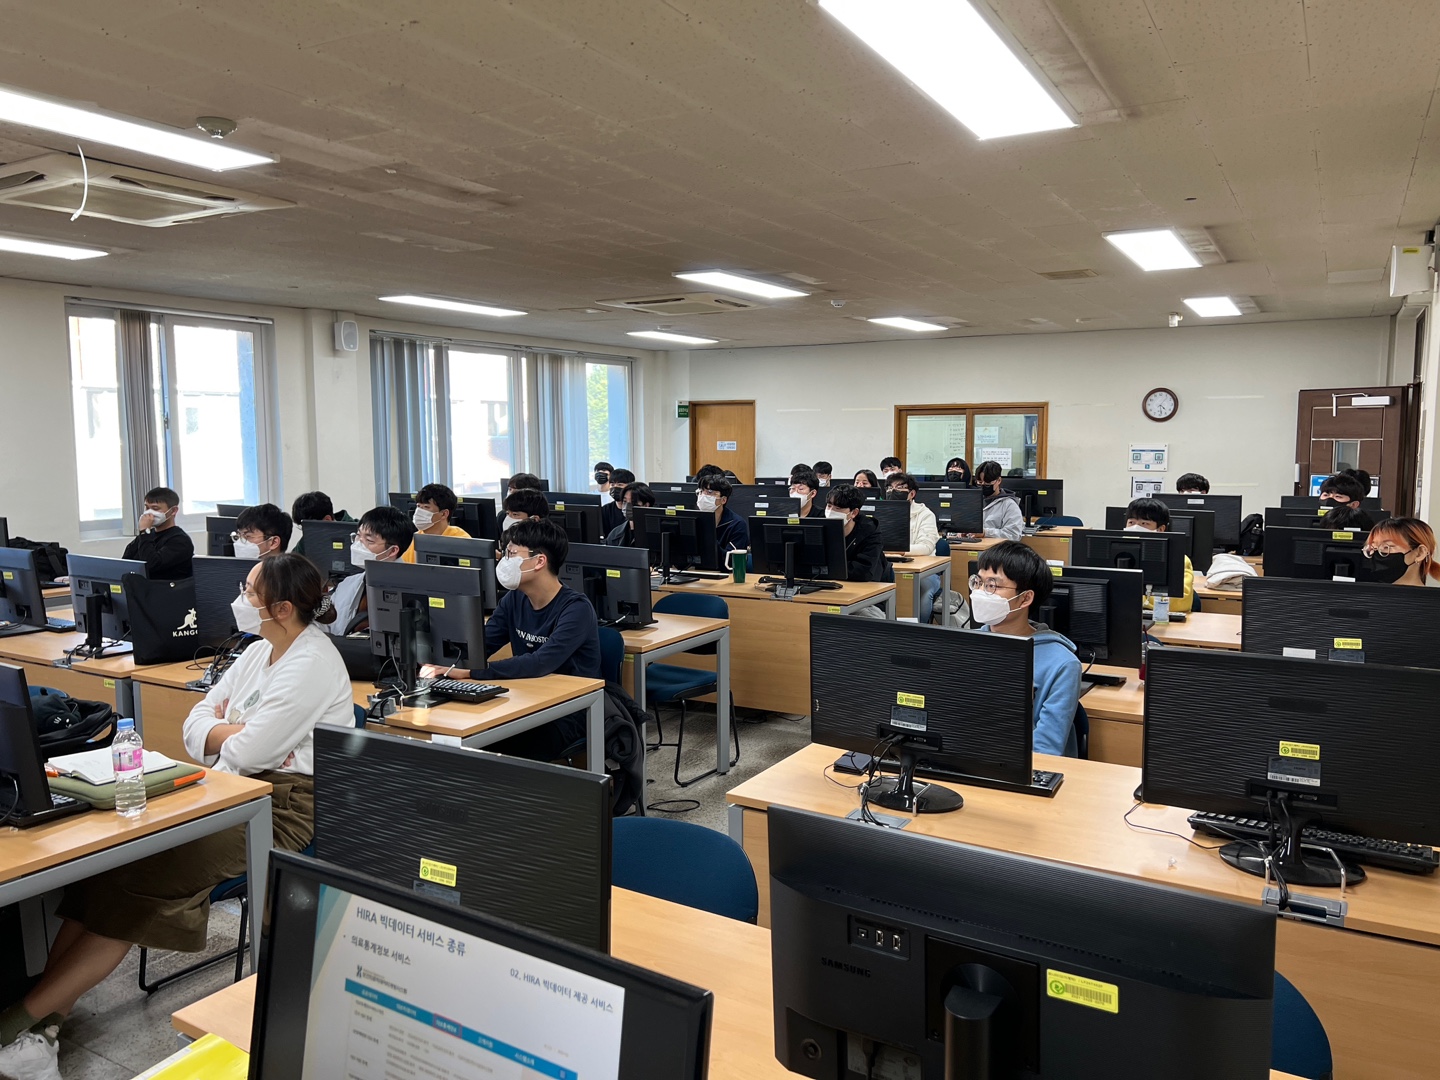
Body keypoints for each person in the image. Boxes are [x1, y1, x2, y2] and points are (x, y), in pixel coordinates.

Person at [0, 555, 352, 1077]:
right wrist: (233, 734)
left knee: (147, 875)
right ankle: (43, 1027)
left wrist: (230, 735)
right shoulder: (259, 649)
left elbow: (248, 752)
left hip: (285, 807)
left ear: (281, 608)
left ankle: (15, 1025)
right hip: (232, 786)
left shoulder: (313, 662)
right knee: (112, 866)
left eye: (249, 591)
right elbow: (196, 724)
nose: (239, 598)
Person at [425, 520, 601, 761]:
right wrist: (439, 659)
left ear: (539, 561)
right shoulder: (513, 600)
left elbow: (540, 663)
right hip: (525, 700)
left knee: (491, 746)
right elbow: (480, 646)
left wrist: (471, 672)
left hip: (570, 710)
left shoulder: (576, 608)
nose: (504, 561)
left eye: (512, 553)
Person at [970, 541, 1081, 757]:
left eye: (992, 585)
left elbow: (1046, 749)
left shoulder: (1062, 665)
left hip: (1022, 767)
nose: (981, 592)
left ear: (1025, 598)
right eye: (979, 582)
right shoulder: (966, 646)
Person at [330, 505, 413, 635]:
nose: (358, 544)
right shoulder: (347, 584)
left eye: (369, 540)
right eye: (358, 536)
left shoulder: (410, 590)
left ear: (392, 550)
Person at [885, 472, 942, 622]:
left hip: (924, 570)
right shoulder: (883, 513)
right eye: (890, 488)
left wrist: (901, 551)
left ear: (912, 493)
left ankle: (919, 629)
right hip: (889, 565)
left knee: (922, 590)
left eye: (899, 488)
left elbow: (926, 547)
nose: (893, 491)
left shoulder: (925, 514)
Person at [1124, 498, 1194, 613]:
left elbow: (1179, 602)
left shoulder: (1179, 559)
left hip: (1162, 619)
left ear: (1160, 529)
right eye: (1131, 522)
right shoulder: (1115, 555)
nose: (1135, 528)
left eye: (1144, 523)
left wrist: (1130, 597)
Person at [121, 486, 193, 580]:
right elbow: (125, 563)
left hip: (165, 587)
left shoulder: (180, 540)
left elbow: (151, 565)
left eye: (155, 508)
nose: (149, 513)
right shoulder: (146, 536)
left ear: (173, 511)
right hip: (141, 587)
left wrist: (145, 532)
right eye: (147, 507)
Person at [825, 485, 889, 582]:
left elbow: (863, 571)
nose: (830, 512)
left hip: (866, 584)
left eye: (838, 508)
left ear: (854, 512)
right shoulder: (821, 526)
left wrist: (825, 569)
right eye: (829, 506)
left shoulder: (869, 532)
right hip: (830, 582)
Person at [401, 483, 470, 562]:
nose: (419, 511)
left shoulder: (461, 541)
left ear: (444, 514)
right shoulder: (414, 539)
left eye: (426, 507)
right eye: (418, 506)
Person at [1363, 517, 1438, 586]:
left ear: (1420, 553)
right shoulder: (1364, 593)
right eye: (1373, 548)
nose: (1375, 554)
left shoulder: (1432, 597)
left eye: (1386, 547)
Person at [698, 475, 749, 564]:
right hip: (693, 570)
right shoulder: (694, 520)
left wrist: (709, 536)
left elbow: (731, 561)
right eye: (701, 491)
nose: (703, 496)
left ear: (723, 500)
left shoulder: (737, 525)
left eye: (709, 492)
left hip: (723, 571)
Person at [290, 491, 353, 557]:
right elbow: (293, 560)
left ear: (327, 520)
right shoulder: (305, 542)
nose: (305, 532)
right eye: (302, 527)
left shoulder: (357, 532)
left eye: (309, 527)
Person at [975, 461, 1024, 540]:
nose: (983, 485)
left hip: (995, 547)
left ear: (999, 480)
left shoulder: (1009, 505)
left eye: (988, 483)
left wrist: (985, 533)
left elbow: (1014, 535)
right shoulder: (972, 501)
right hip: (969, 545)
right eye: (980, 482)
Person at [606, 482, 656, 547]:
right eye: (625, 501)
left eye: (633, 502)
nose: (627, 506)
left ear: (646, 505)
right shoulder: (614, 534)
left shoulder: (657, 535)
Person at [600, 468, 634, 535]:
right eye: (612, 485)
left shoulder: (634, 509)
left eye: (620, 485)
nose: (615, 487)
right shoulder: (606, 509)